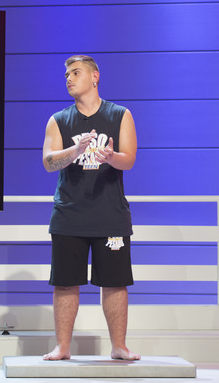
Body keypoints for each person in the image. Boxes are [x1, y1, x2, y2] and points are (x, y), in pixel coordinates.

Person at [42, 55, 140, 361]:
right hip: (69, 216)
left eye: (76, 73)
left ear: (95, 77)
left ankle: (119, 346)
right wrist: (75, 150)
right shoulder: (58, 120)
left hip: (110, 216)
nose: (69, 79)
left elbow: (129, 159)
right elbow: (48, 162)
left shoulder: (120, 115)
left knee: (115, 283)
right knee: (65, 283)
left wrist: (110, 157)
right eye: (66, 75)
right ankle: (62, 347)